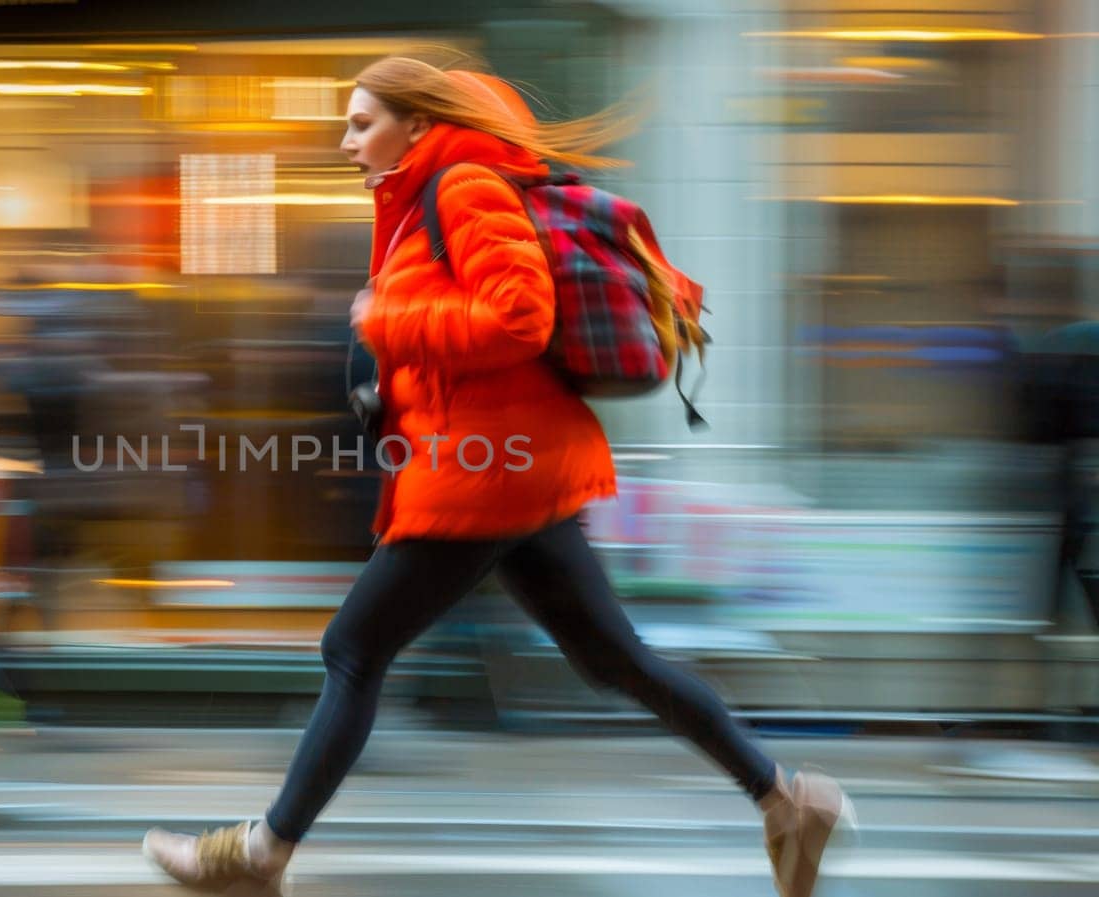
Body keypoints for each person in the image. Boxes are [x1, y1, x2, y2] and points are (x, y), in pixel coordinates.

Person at [142, 56, 853, 897]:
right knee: (613, 658)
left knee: (353, 649)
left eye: (362, 122)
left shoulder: (463, 188)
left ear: (416, 123)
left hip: (486, 473)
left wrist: (389, 320)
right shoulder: (430, 200)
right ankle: (785, 799)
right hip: (517, 467)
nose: (346, 141)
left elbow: (520, 318)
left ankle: (260, 855)